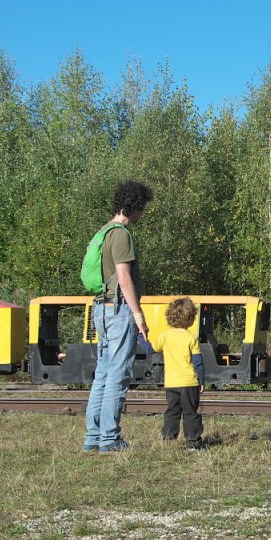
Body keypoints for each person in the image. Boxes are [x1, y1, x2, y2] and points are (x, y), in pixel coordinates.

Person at [83, 180, 154, 453]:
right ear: (133, 206)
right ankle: (110, 439)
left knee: (102, 373)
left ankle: (93, 437)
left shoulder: (102, 232)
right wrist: (138, 316)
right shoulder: (121, 234)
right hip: (118, 308)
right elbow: (124, 278)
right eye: (142, 208)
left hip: (100, 308)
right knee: (117, 375)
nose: (143, 214)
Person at [149, 297, 205, 450]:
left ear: (170, 317)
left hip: (171, 383)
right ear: (191, 318)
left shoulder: (165, 336)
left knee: (172, 411)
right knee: (190, 413)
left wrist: (140, 335)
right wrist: (202, 381)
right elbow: (198, 362)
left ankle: (168, 439)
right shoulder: (192, 338)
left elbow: (150, 349)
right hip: (189, 383)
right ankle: (192, 443)